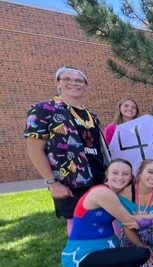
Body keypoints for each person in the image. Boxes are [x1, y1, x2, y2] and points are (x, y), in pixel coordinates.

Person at [24, 66, 109, 236]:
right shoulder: (44, 110)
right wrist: (52, 183)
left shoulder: (92, 115)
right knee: (80, 226)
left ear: (86, 86)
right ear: (58, 83)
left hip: (99, 178)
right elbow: (34, 149)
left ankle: (108, 256)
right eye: (67, 79)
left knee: (104, 219)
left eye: (79, 80)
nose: (74, 83)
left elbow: (99, 147)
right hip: (71, 182)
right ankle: (82, 260)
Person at [61, 159, 153, 267]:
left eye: (125, 174)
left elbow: (134, 216)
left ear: (131, 177)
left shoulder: (117, 195)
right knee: (142, 254)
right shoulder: (102, 193)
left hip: (106, 251)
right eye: (115, 173)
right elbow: (132, 222)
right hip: (81, 257)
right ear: (107, 174)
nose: (120, 177)